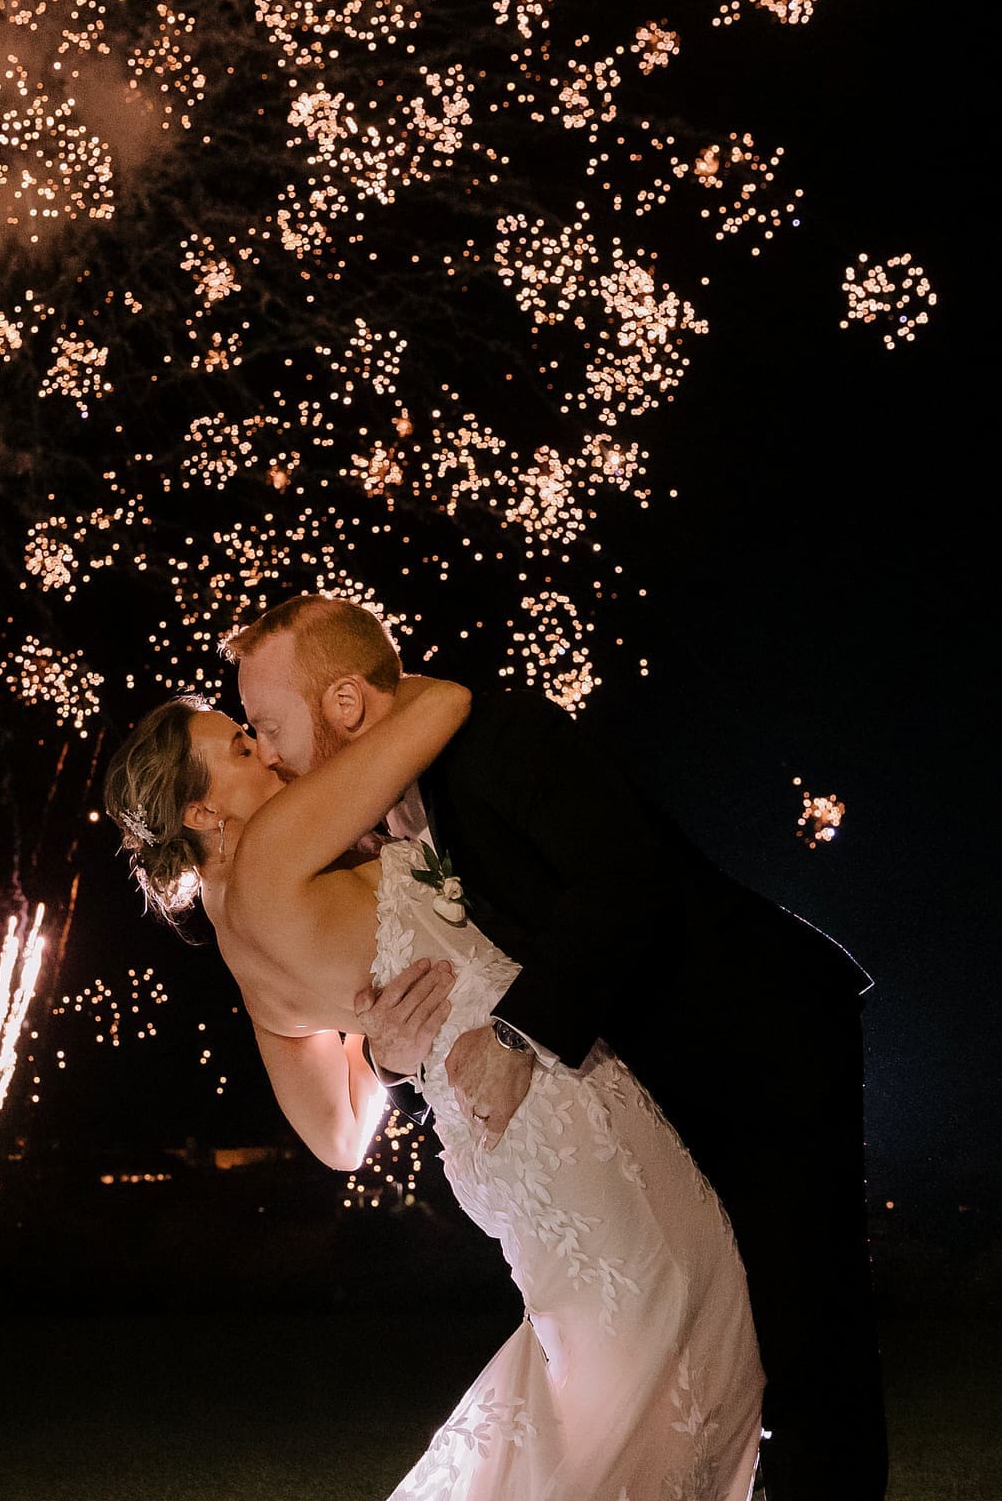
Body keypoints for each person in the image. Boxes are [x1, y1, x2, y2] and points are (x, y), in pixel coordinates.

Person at [226, 594, 888, 1501]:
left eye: (267, 726)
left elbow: (627, 882)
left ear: (345, 703)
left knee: (805, 1335)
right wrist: (388, 1057)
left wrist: (516, 1035)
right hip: (648, 1091)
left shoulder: (501, 739)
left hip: (755, 1041)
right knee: (726, 1342)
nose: (265, 751)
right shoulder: (379, 821)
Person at [103, 670, 764, 1497]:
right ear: (203, 814)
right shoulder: (272, 845)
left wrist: (381, 1056)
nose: (265, 752)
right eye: (241, 746)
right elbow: (444, 704)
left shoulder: (241, 944)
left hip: (497, 1156)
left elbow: (338, 1138)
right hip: (550, 1110)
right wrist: (343, 681)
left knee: (629, 1375)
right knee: (684, 1341)